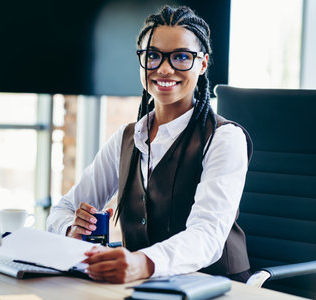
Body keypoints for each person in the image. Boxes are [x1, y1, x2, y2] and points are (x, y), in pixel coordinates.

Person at [47, 5, 252, 284]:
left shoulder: (224, 138)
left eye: (181, 57)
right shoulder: (126, 137)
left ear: (203, 64)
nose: (164, 68)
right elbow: (62, 209)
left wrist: (143, 262)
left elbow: (208, 235)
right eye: (153, 56)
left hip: (215, 286)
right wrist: (72, 228)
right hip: (144, 286)